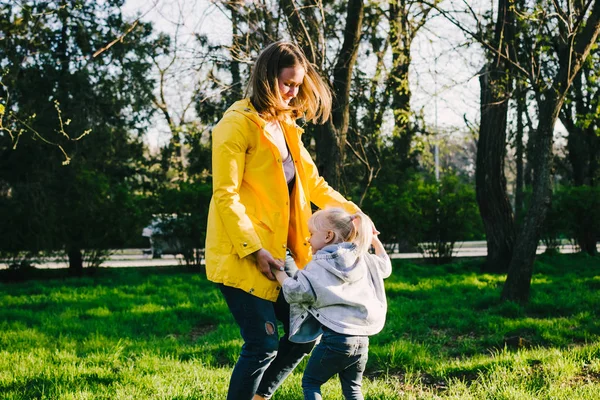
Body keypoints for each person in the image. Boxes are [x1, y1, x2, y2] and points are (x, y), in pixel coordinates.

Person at [205, 41, 360, 400]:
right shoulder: (235, 125)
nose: (293, 92)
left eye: (297, 85)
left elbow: (315, 183)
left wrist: (354, 213)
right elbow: (224, 195)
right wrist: (254, 249)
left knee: (306, 332)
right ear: (266, 78)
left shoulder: (286, 126)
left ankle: (260, 396)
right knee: (262, 344)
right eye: (287, 83)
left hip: (281, 252)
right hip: (241, 251)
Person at [272, 207, 392, 400]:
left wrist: (279, 273)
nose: (308, 239)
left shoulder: (320, 264)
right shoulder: (363, 258)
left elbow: (297, 291)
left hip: (336, 339)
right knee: (353, 389)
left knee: (311, 383)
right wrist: (374, 240)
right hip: (362, 341)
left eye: (311, 234)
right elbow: (385, 267)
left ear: (328, 236)